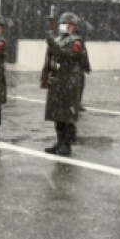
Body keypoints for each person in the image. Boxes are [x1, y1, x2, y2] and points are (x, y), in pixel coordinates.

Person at [43, 12, 85, 157]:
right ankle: (59, 142)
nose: (63, 26)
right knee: (57, 115)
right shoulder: (58, 39)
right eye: (62, 23)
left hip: (69, 81)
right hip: (57, 80)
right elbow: (51, 57)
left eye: (66, 24)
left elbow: (67, 55)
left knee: (67, 116)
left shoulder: (76, 41)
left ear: (73, 26)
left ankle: (66, 145)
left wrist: (53, 44)